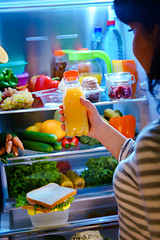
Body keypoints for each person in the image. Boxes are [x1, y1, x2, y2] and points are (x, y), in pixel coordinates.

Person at [59, 0, 160, 239]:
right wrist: (99, 128)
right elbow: (140, 162)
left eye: (133, 30)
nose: (133, 44)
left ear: (156, 33)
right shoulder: (151, 146)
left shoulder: (154, 140)